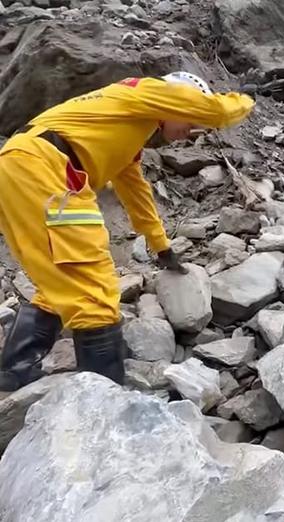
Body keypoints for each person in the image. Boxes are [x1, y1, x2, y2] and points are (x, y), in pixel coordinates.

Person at [0, 71, 255, 391]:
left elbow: (137, 196)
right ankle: (105, 395)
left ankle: (15, 370)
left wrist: (161, 247)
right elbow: (217, 111)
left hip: (19, 163)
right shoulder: (146, 91)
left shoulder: (126, 129)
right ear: (180, 97)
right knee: (95, 283)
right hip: (46, 167)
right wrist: (245, 99)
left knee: (60, 279)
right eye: (190, 120)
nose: (191, 131)